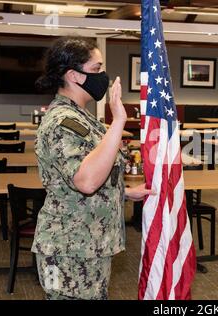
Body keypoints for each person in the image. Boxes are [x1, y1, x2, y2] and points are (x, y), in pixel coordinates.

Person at [33, 37, 154, 300]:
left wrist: (124, 192)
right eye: (97, 69)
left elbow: (86, 174)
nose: (103, 76)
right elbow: (86, 181)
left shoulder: (81, 116)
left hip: (90, 244)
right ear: (74, 75)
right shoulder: (62, 121)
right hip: (69, 250)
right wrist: (119, 120)